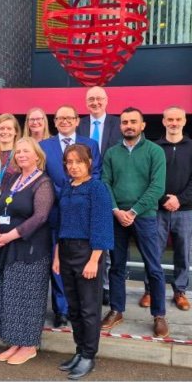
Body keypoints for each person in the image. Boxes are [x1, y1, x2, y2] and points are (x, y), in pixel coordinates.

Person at [101, 107, 169, 338]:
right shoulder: (111, 153)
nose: (128, 125)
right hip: (117, 217)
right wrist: (117, 211)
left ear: (143, 125)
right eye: (124, 122)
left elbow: (157, 186)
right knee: (117, 267)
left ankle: (159, 315)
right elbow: (105, 182)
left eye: (133, 122)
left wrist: (134, 211)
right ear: (120, 126)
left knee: (154, 268)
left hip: (145, 217)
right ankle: (116, 310)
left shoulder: (155, 151)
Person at [0, 137, 54, 365]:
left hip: (30, 250)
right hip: (6, 247)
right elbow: (0, 207)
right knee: (9, 295)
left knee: (27, 297)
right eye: (18, 152)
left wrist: (10, 235)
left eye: (26, 151)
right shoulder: (13, 178)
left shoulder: (43, 182)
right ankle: (15, 342)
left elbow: (41, 216)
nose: (21, 155)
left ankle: (28, 346)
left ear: (37, 155)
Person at [53, 144, 113, 379]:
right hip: (66, 251)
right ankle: (79, 351)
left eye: (79, 161)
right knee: (74, 308)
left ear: (89, 162)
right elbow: (60, 225)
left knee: (89, 309)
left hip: (88, 252)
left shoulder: (97, 188)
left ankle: (89, 355)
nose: (74, 166)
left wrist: (94, 261)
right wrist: (57, 256)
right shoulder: (67, 188)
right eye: (69, 162)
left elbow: (102, 226)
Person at [40, 105, 102, 329]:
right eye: (60, 118)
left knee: (80, 264)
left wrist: (74, 192)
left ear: (77, 121)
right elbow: (42, 177)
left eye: (69, 118)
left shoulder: (91, 144)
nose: (64, 121)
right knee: (58, 262)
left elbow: (95, 173)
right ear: (54, 122)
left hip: (82, 212)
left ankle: (79, 310)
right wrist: (63, 193)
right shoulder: (44, 146)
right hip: (55, 210)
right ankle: (61, 309)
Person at [139, 106, 192, 311]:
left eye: (178, 119)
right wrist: (162, 199)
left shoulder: (191, 147)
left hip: (185, 209)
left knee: (183, 253)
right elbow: (147, 178)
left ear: (184, 121)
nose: (174, 123)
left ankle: (180, 291)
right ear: (163, 121)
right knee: (153, 251)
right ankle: (150, 290)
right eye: (170, 119)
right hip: (157, 209)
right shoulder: (153, 147)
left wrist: (179, 199)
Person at [77, 86, 122, 306]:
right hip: (86, 192)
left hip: (111, 190)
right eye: (91, 99)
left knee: (109, 242)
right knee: (92, 240)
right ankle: (98, 285)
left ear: (107, 100)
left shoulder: (118, 124)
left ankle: (107, 287)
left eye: (99, 99)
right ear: (86, 102)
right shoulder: (81, 125)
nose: (95, 102)